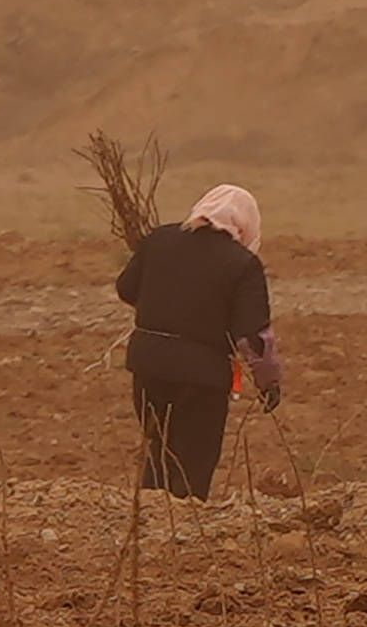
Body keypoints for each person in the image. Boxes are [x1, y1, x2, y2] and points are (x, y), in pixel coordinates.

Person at [115, 184, 278, 494]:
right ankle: (183, 534)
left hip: (147, 365)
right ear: (246, 224)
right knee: (193, 463)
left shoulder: (159, 239)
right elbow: (253, 336)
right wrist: (268, 381)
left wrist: (164, 308)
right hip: (202, 376)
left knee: (160, 450)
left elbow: (126, 288)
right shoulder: (242, 264)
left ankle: (148, 524)